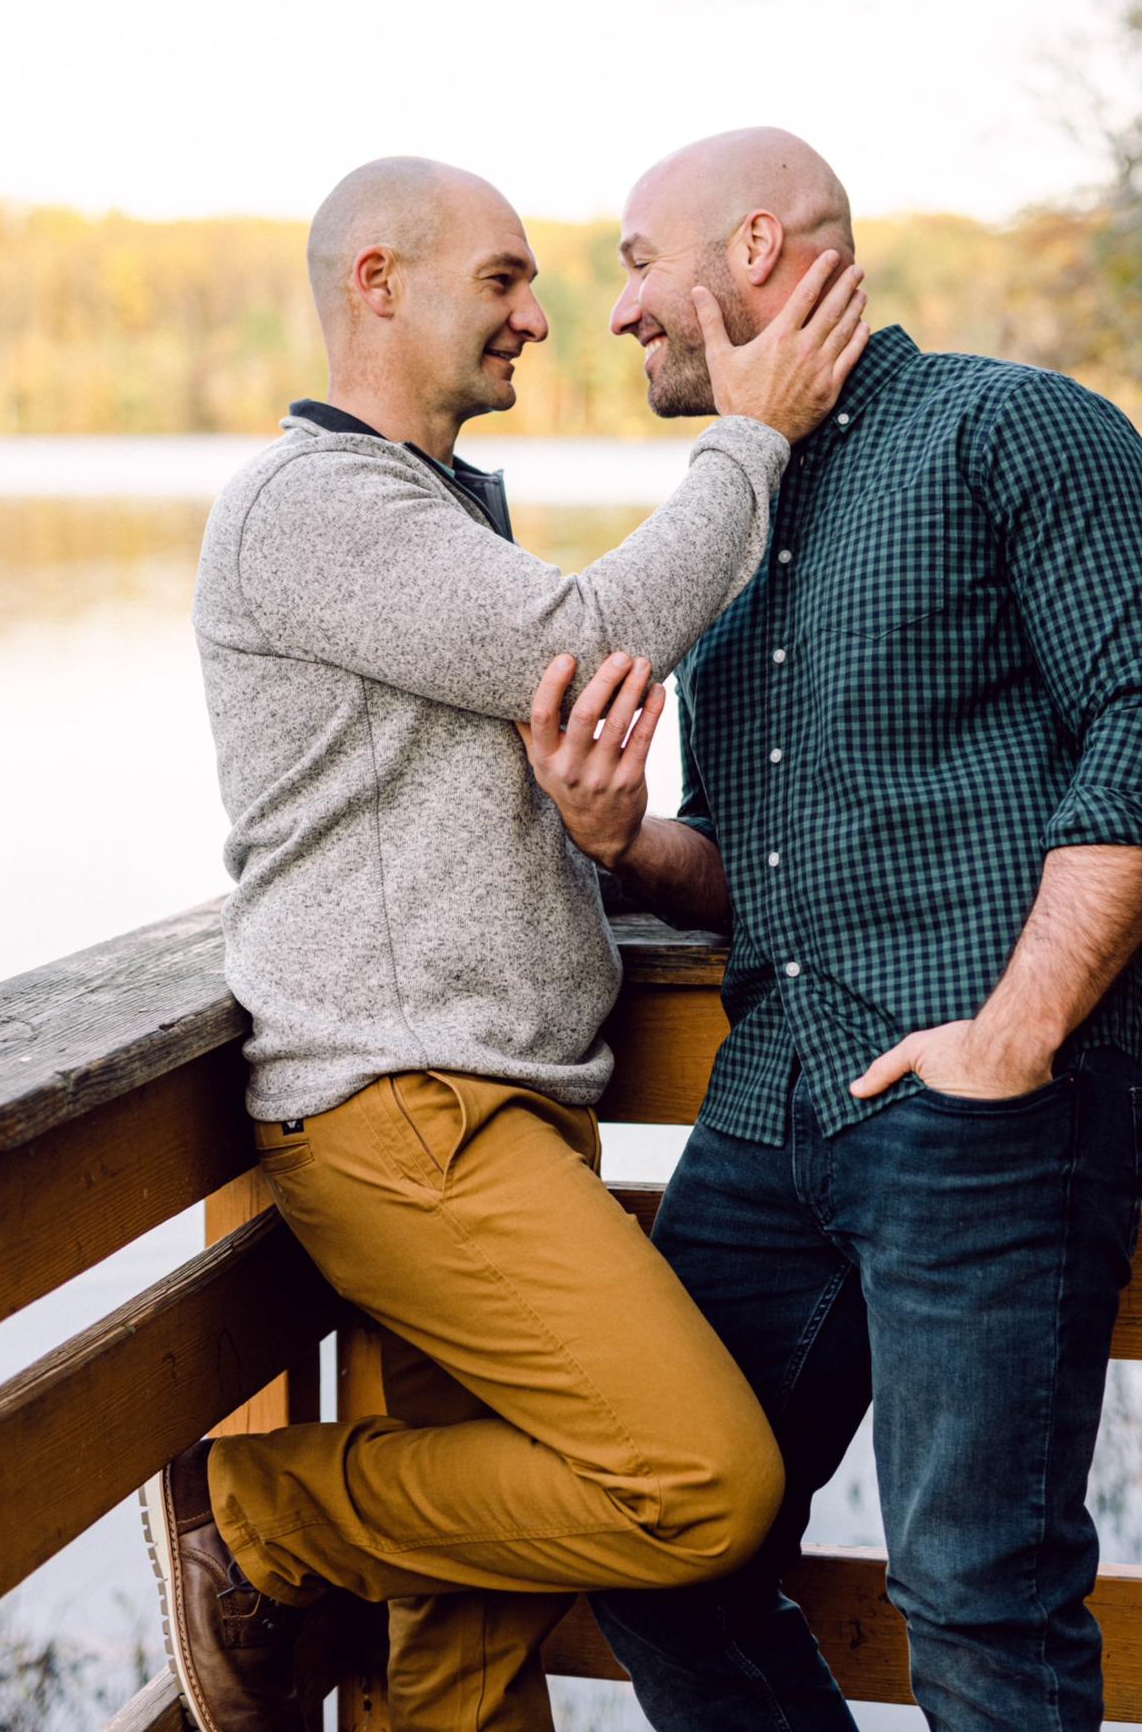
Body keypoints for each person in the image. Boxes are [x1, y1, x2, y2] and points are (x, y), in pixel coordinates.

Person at [142, 154, 869, 1732]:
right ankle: (261, 1516)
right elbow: (582, 646)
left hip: (498, 1104)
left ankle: (297, 1538)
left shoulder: (440, 506)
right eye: (503, 281)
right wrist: (752, 439)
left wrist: (610, 842)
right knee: (702, 1482)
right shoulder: (309, 505)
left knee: (463, 1663)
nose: (541, 318)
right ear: (376, 283)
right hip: (409, 1111)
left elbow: (501, 778)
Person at [520, 128, 1142, 1732]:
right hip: (773, 1102)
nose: (618, 310)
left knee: (977, 1599)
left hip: (987, 1106)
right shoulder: (730, 521)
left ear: (756, 249)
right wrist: (619, 843)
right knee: (655, 1538)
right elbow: (741, 864)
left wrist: (1014, 1034)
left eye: (638, 263)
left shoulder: (1013, 425)